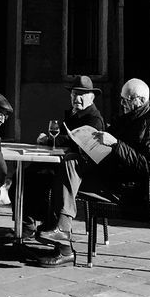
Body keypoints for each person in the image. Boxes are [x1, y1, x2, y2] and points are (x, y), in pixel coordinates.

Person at [34, 77, 150, 265]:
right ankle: (61, 237)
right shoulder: (129, 118)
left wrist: (114, 142)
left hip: (125, 189)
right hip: (111, 176)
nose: (122, 104)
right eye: (121, 99)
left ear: (140, 100)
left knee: (67, 176)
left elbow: (145, 166)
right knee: (68, 167)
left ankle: (62, 243)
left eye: (126, 100)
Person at [22, 75, 105, 239]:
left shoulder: (93, 119)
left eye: (82, 94)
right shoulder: (74, 114)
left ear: (92, 97)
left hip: (81, 173)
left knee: (35, 177)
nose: (77, 98)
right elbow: (63, 136)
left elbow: (76, 141)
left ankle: (37, 224)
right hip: (63, 164)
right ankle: (32, 223)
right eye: (74, 94)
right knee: (28, 174)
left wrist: (49, 139)